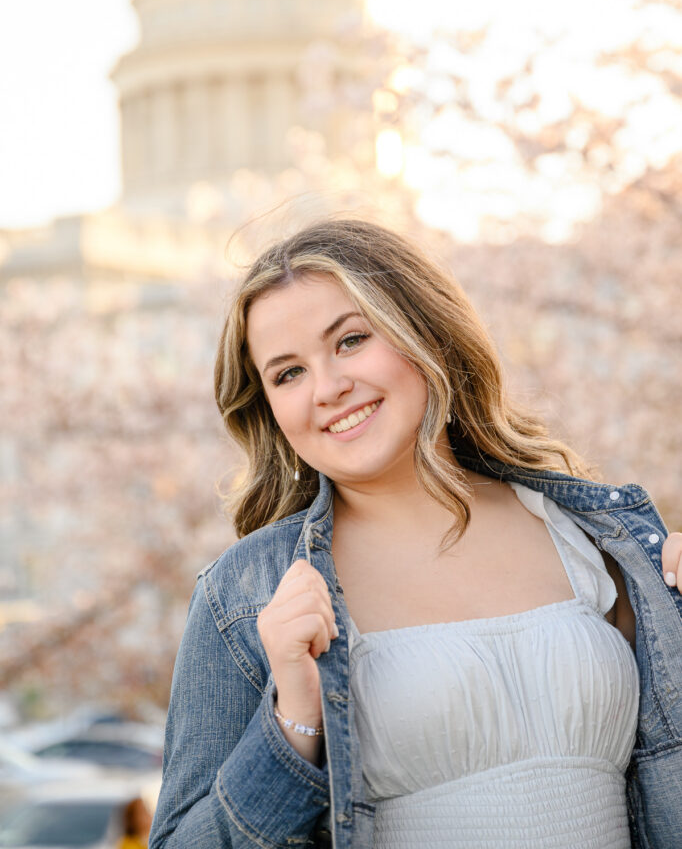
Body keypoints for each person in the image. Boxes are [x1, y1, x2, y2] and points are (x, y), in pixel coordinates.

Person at [149, 216, 681, 849]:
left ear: (425, 331)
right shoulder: (246, 596)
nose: (328, 388)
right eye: (287, 373)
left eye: (350, 340)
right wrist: (293, 721)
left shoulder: (597, 540)